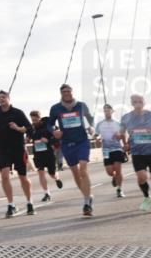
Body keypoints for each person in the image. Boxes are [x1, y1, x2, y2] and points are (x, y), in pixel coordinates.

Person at [48, 84, 96, 216]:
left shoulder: (81, 105)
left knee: (83, 170)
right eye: (64, 92)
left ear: (72, 92)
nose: (67, 93)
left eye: (69, 91)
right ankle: (88, 196)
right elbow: (49, 124)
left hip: (82, 141)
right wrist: (54, 131)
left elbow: (90, 119)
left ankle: (86, 203)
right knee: (75, 173)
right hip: (67, 143)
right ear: (61, 93)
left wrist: (92, 127)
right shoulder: (56, 108)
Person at [0, 91, 34, 217]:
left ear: (9, 98)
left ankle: (29, 202)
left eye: (3, 97)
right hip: (3, 150)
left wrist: (18, 128)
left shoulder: (18, 113)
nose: (1, 99)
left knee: (23, 177)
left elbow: (29, 129)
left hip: (18, 149)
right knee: (4, 176)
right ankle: (11, 205)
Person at [120, 93, 151, 212]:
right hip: (137, 153)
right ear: (132, 103)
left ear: (144, 102)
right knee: (142, 177)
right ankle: (147, 197)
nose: (138, 104)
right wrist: (125, 144)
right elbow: (121, 132)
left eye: (140, 101)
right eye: (135, 101)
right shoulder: (126, 117)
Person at [28, 110, 62, 202]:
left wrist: (48, 141)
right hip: (38, 154)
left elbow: (57, 138)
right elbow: (28, 136)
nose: (34, 121)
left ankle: (57, 178)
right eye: (32, 120)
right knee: (40, 173)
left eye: (35, 119)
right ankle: (46, 193)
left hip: (48, 153)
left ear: (40, 118)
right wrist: (28, 138)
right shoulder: (31, 127)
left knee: (52, 174)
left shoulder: (48, 125)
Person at [95, 104, 126, 199]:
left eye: (108, 110)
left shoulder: (118, 123)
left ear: (112, 111)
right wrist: (98, 139)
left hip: (117, 148)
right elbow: (97, 135)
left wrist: (124, 144)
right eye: (105, 111)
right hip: (106, 150)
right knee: (110, 172)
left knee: (118, 169)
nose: (106, 112)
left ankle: (119, 189)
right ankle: (114, 176)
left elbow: (123, 135)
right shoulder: (100, 124)